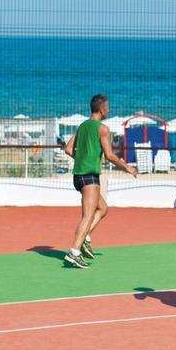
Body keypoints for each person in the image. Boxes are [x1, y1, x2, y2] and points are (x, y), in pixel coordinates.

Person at [63, 94, 137, 269]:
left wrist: (82, 159)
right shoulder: (102, 128)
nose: (109, 109)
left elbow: (68, 149)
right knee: (88, 216)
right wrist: (127, 168)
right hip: (89, 177)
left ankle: (84, 238)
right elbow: (110, 155)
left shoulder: (82, 127)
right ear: (102, 108)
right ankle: (74, 252)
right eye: (108, 106)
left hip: (79, 176)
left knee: (103, 209)